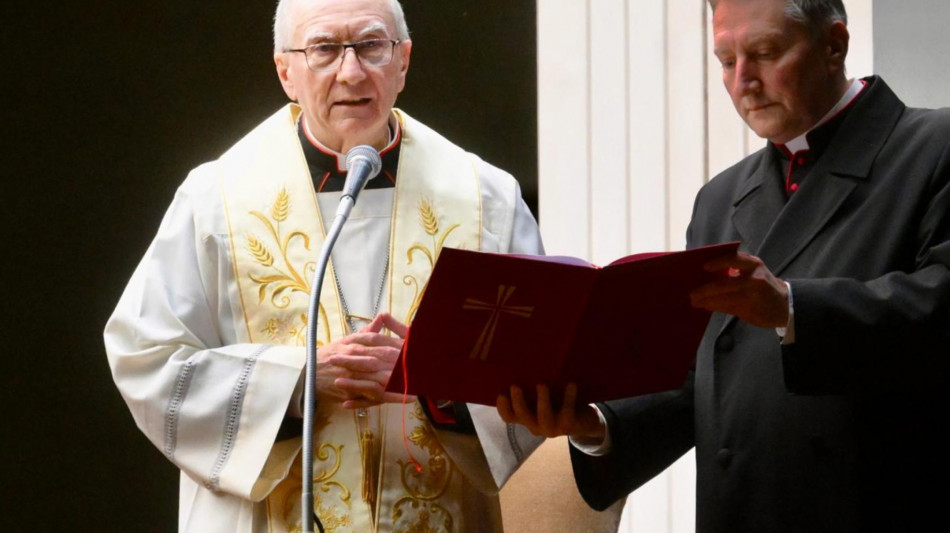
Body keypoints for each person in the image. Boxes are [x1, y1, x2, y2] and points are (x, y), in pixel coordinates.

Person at [498, 0, 950, 531]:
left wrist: (791, 307)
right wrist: (596, 424)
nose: (743, 81)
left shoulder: (931, 148)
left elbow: (940, 310)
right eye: (725, 60)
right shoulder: (722, 198)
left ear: (834, 45)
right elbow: (698, 377)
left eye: (763, 53)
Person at [104, 0, 543, 531]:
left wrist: (431, 381)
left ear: (403, 61)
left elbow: (535, 369)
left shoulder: (485, 198)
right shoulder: (215, 199)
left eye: (371, 45)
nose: (351, 71)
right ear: (285, 71)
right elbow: (146, 360)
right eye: (324, 49)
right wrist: (298, 380)